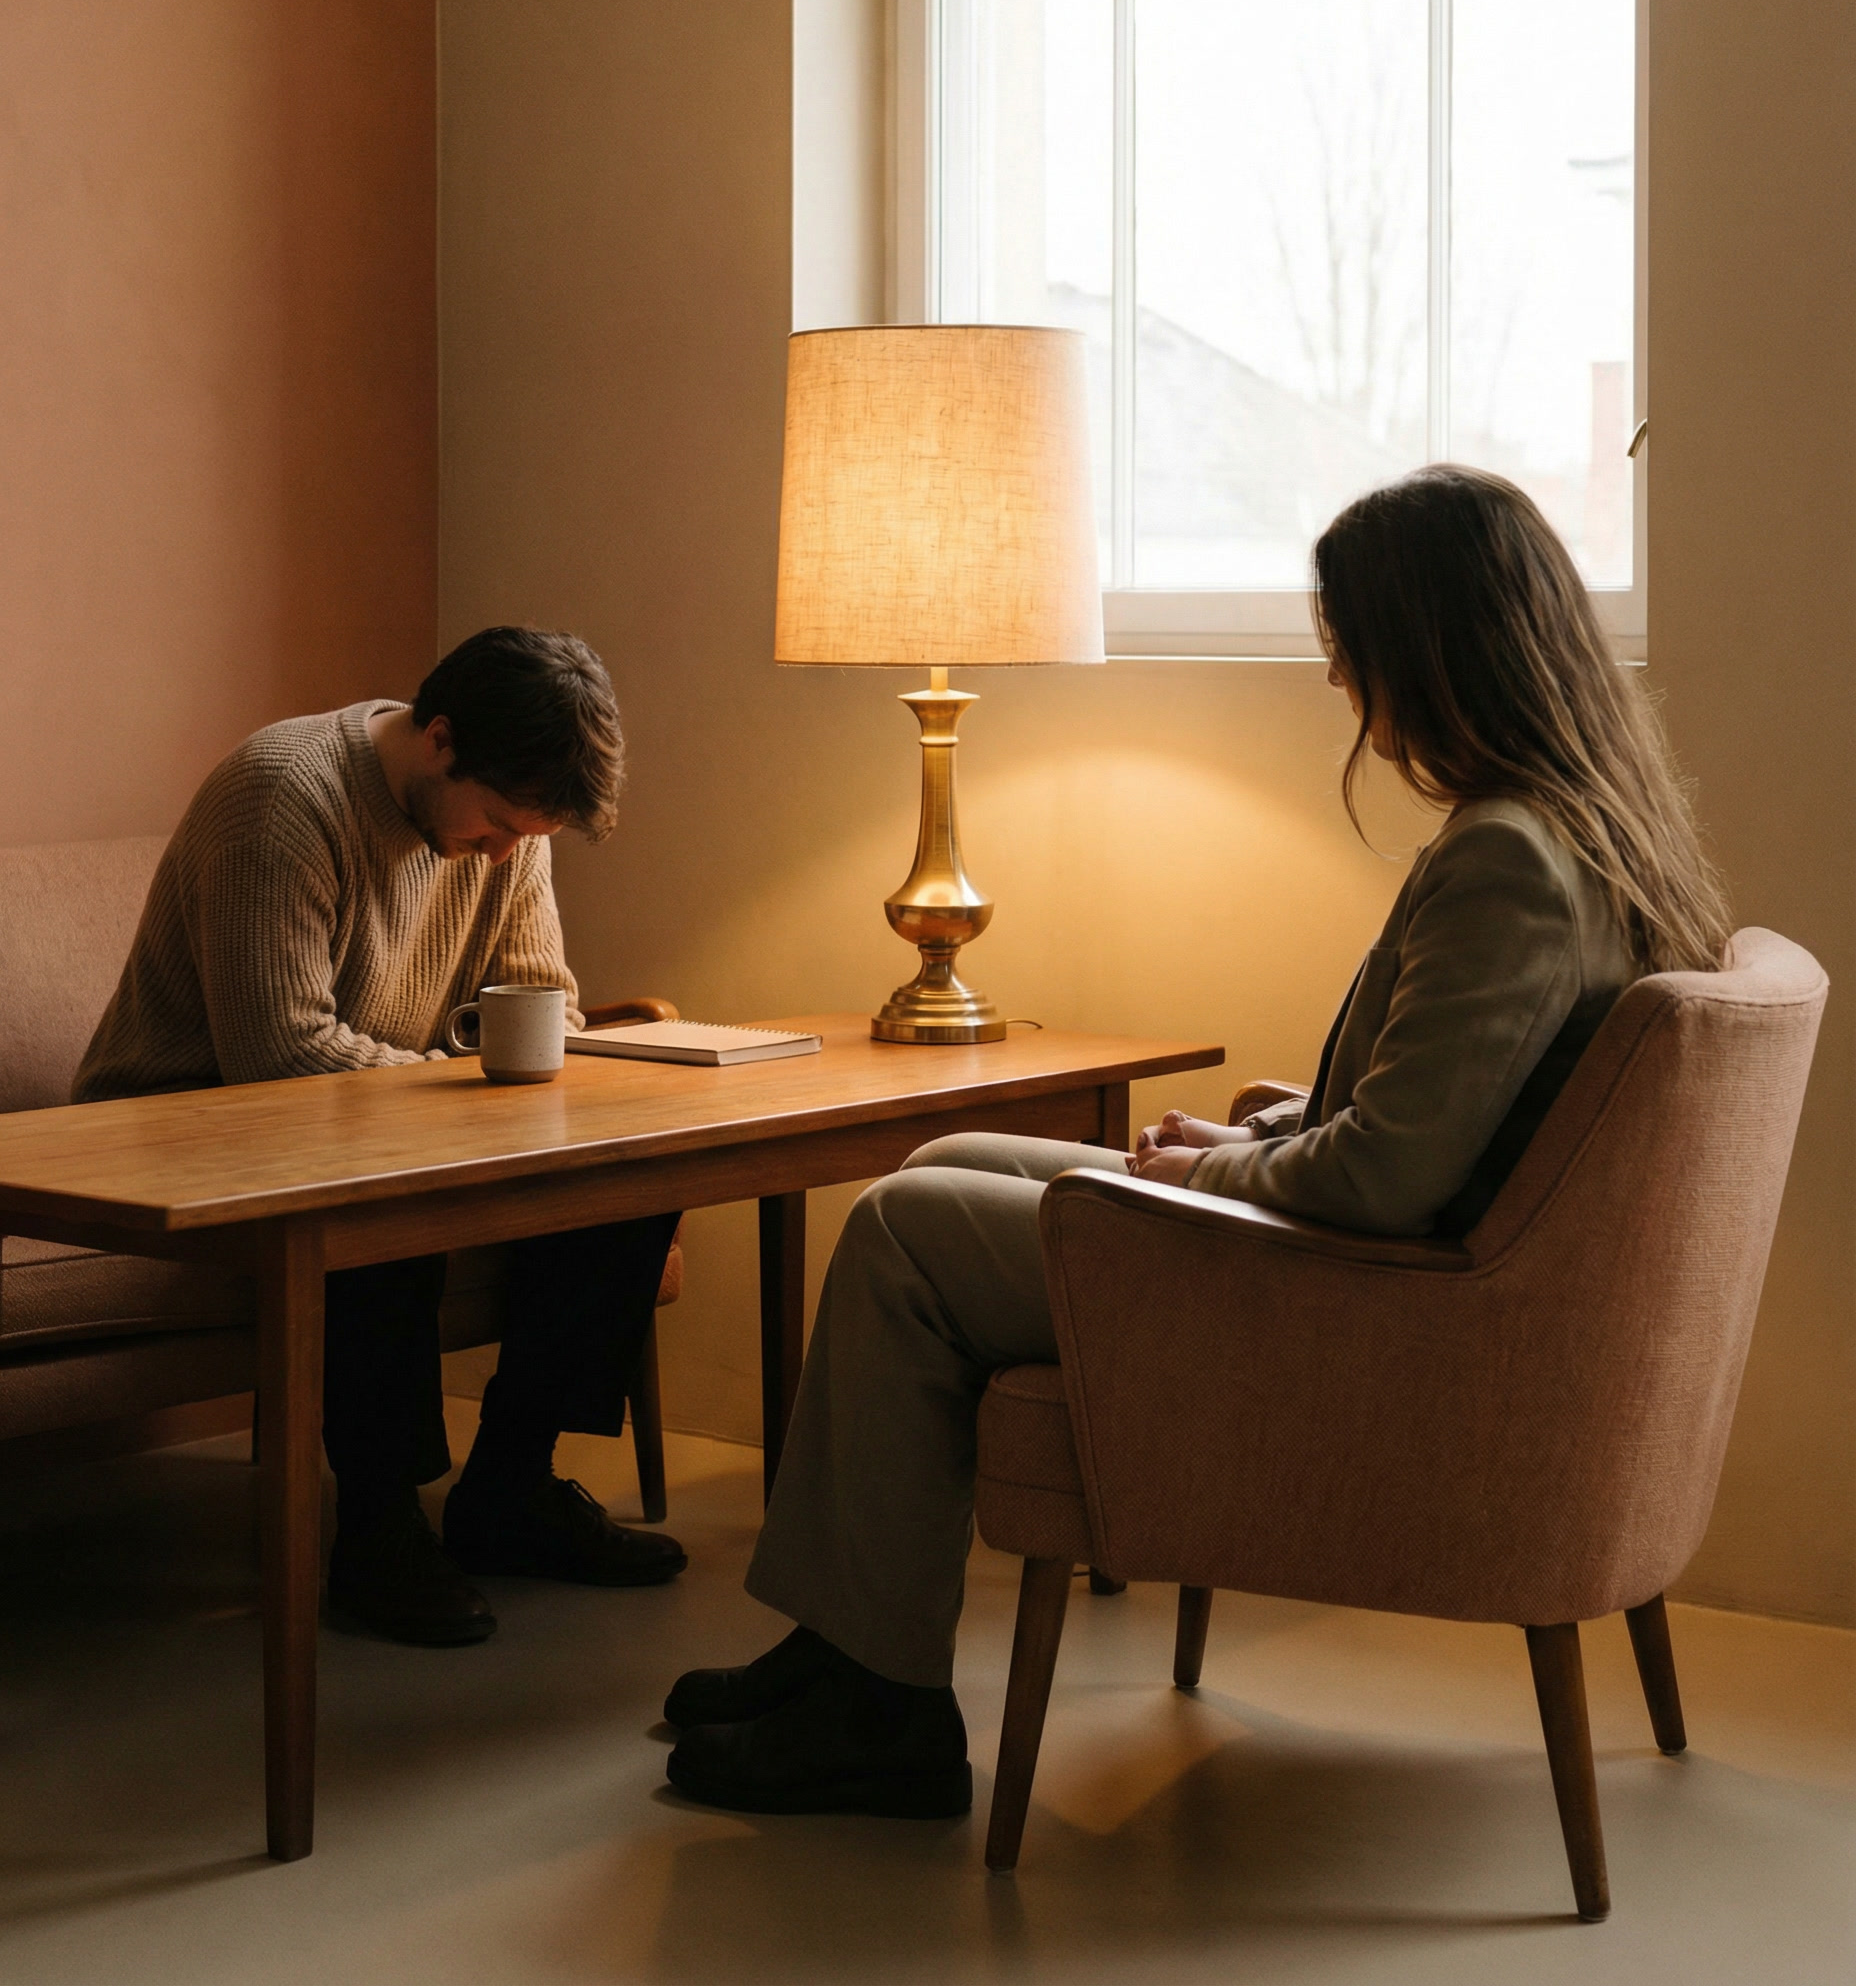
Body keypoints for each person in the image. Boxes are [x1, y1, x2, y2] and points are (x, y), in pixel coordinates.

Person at [659, 465, 1734, 1821]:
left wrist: (1209, 1174)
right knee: (945, 1167)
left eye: (1351, 652)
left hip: (1364, 1304)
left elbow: (1391, 1179)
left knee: (903, 1231)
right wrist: (1274, 1127)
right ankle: (846, 1652)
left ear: (1434, 648)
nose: (1341, 684)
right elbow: (1461, 1119)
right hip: (1403, 1273)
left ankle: (881, 1711)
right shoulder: (1589, 837)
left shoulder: (1508, 857)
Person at [77, 626, 687, 1646]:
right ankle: (378, 1526)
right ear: (438, 739)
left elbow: (541, 999)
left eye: (523, 837)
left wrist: (551, 1094)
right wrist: (457, 1097)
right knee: (374, 1189)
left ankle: (510, 1486)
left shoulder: (507, 834)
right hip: (173, 1130)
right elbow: (278, 1055)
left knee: (631, 1158)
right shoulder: (284, 796)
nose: (501, 854)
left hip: (375, 1111)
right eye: (495, 824)